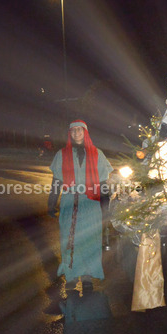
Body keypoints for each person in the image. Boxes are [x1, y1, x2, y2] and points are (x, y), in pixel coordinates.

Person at [47, 120, 114, 301]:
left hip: (90, 203)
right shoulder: (61, 155)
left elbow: (103, 183)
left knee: (89, 241)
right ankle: (71, 277)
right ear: (69, 133)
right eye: (73, 130)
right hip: (70, 202)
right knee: (70, 241)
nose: (76, 133)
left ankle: (86, 277)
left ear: (85, 132)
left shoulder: (97, 154)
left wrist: (106, 206)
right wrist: (51, 202)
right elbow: (57, 182)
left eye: (80, 130)